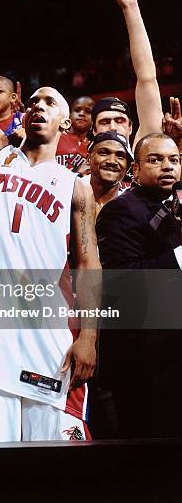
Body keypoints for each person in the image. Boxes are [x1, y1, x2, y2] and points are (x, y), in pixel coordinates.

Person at [0, 0, 101, 444]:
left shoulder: (76, 186)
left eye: (49, 101)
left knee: (47, 463)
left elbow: (89, 265)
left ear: (65, 120)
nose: (37, 105)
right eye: (31, 100)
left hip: (46, 336)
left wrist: (89, 336)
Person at [96, 133, 182, 437]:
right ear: (135, 170)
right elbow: (124, 281)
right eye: (155, 160)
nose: (167, 167)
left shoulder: (174, 208)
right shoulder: (121, 210)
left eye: (174, 160)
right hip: (143, 362)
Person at [91, 0, 163, 146]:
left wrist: (130, 7)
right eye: (105, 122)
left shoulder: (141, 154)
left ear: (131, 128)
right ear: (93, 130)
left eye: (120, 121)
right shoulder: (76, 169)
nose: (113, 127)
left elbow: (146, 77)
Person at [83, 130, 134, 219]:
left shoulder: (134, 207)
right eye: (104, 153)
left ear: (127, 165)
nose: (112, 161)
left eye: (120, 156)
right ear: (88, 158)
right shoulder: (68, 194)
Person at [56, 96, 94, 172]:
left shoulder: (93, 148)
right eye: (77, 110)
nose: (82, 114)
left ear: (93, 120)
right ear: (70, 115)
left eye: (88, 111)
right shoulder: (56, 136)